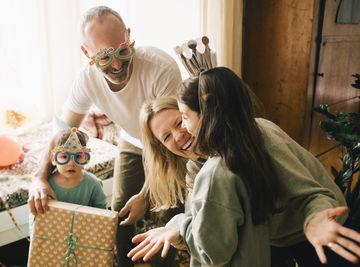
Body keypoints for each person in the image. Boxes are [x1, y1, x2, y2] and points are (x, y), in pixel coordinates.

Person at [128, 67, 360, 266]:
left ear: (206, 112)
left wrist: (316, 220)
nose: (181, 134)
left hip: (320, 230)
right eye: (166, 137)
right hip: (272, 236)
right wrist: (179, 227)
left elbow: (309, 193)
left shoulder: (258, 136)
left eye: (181, 120)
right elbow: (209, 228)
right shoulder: (197, 170)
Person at [28, 6, 183, 267]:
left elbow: (169, 143)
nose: (117, 64)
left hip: (170, 143)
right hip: (133, 140)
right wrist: (39, 177)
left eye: (123, 51)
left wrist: (146, 195)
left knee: (166, 212)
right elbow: (63, 134)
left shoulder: (160, 67)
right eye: (104, 58)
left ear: (129, 36)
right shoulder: (86, 79)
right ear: (86, 53)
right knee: (120, 212)